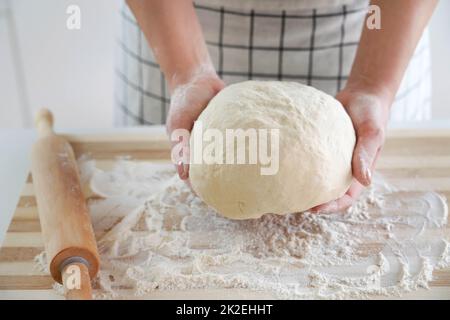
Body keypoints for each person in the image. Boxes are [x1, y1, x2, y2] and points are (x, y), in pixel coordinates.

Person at [116, 0, 437, 213]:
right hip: (172, 27)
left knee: (352, 149)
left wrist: (373, 85)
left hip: (375, 30)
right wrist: (187, 73)